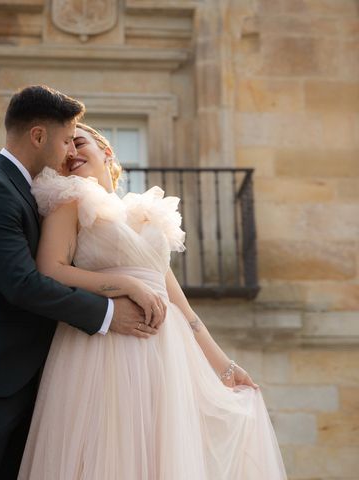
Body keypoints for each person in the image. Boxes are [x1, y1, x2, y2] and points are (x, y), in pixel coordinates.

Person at [18, 123, 287, 479]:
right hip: (104, 349)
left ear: (107, 152)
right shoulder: (68, 200)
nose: (71, 153)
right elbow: (50, 270)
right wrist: (125, 283)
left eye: (78, 143)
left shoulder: (145, 213)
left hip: (166, 354)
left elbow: (183, 310)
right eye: (66, 148)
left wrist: (225, 367)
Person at [0, 86, 167, 480]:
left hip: (29, 380)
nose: (69, 151)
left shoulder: (28, 193)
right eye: (65, 139)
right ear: (38, 136)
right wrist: (109, 313)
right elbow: (22, 283)